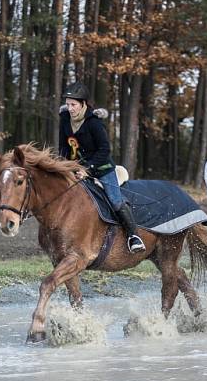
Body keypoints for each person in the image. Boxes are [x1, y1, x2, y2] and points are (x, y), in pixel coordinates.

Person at [58, 82, 145, 254]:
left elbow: (105, 150)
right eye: (68, 104)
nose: (70, 108)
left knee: (115, 201)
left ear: (83, 104)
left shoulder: (94, 123)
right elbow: (63, 147)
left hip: (102, 168)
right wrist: (64, 165)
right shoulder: (65, 120)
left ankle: (133, 236)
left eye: (73, 105)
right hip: (75, 168)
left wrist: (87, 169)